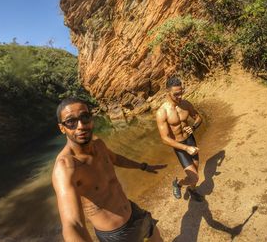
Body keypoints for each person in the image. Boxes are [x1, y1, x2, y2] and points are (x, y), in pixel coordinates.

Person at [52, 97, 166, 242]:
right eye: (70, 122)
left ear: (91, 119)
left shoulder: (98, 144)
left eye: (84, 117)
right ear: (62, 128)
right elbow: (73, 224)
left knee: (156, 237)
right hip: (115, 235)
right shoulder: (66, 167)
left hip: (132, 211)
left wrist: (143, 166)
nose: (80, 125)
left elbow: (116, 159)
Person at [156, 76, 203, 202]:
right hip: (180, 146)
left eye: (181, 93)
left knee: (195, 171)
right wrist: (186, 148)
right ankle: (178, 184)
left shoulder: (186, 104)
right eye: (176, 94)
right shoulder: (162, 112)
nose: (180, 97)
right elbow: (165, 139)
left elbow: (199, 118)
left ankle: (192, 190)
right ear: (167, 92)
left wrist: (193, 127)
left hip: (190, 140)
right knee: (194, 178)